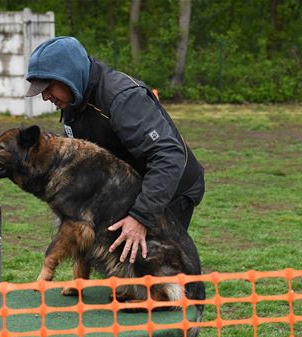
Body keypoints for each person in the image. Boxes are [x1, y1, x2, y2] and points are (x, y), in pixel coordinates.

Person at [25, 36, 204, 266]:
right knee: (123, 273)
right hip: (128, 189)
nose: (44, 96)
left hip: (171, 187)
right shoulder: (73, 101)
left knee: (152, 270)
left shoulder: (123, 98)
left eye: (48, 87)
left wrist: (141, 217)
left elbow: (168, 156)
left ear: (69, 76)